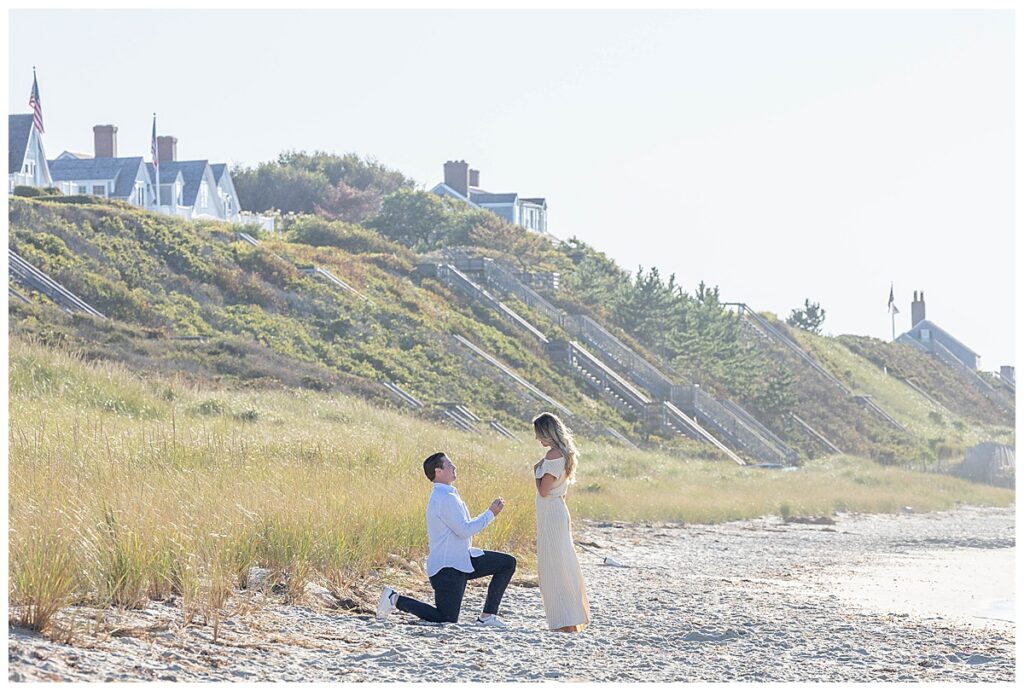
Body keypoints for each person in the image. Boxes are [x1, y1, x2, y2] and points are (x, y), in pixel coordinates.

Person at [376, 452, 516, 627]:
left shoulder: (449, 495)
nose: (454, 467)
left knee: (507, 563)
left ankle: (487, 616)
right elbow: (464, 530)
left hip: (462, 560)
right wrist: (490, 514)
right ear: (438, 471)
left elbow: (464, 528)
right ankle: (394, 599)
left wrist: (489, 514)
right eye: (450, 465)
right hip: (447, 569)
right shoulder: (445, 498)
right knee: (446, 618)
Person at [533, 412, 590, 633]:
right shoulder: (564, 454)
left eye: (539, 434)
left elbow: (544, 490)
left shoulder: (553, 456)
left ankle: (564, 621)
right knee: (562, 565)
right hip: (557, 511)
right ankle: (568, 618)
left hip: (551, 514)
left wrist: (535, 473)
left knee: (554, 567)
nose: (537, 439)